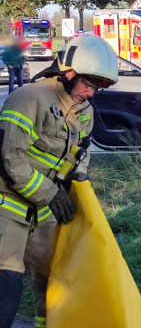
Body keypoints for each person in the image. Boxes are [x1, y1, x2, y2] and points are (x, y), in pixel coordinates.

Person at [0, 34, 119, 328]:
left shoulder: (84, 111)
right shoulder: (28, 98)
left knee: (52, 283)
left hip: (46, 212)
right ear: (68, 73)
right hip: (8, 208)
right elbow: (9, 159)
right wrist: (51, 195)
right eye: (88, 85)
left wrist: (79, 181)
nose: (91, 94)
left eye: (97, 88)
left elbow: (82, 152)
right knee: (6, 282)